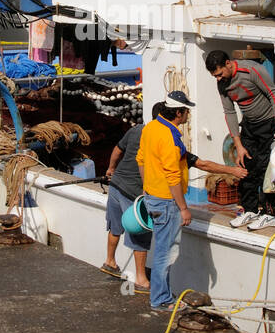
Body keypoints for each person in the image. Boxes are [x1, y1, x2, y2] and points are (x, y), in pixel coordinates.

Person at [101, 102, 246, 291]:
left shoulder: (139, 131)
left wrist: (111, 168)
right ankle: (142, 279)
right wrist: (233, 171)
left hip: (116, 186)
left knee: (115, 227)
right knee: (140, 236)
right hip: (134, 193)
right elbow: (199, 166)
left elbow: (122, 151)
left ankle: (110, 261)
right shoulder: (166, 139)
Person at [205, 50, 275, 230]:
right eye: (214, 76)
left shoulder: (251, 71)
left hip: (268, 124)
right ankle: (250, 209)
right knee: (246, 167)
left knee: (266, 169)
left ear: (228, 63)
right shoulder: (222, 84)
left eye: (219, 74)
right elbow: (230, 112)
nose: (218, 79)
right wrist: (239, 145)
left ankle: (269, 214)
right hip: (249, 126)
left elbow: (273, 94)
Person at [135, 92, 197, 311]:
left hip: (152, 195)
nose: (188, 114)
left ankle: (162, 295)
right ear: (178, 113)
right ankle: (161, 299)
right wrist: (183, 208)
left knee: (160, 249)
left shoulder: (150, 127)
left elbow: (141, 159)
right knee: (164, 252)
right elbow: (173, 177)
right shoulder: (170, 137)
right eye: (186, 110)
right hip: (166, 201)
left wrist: (147, 187)